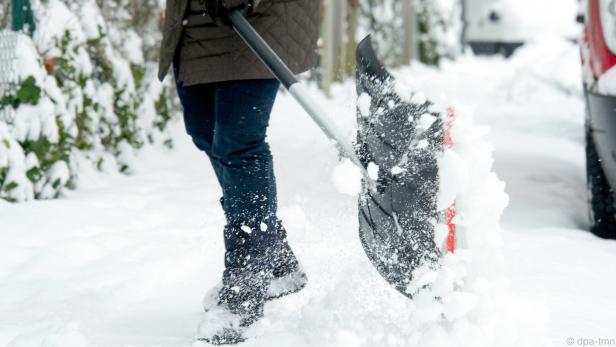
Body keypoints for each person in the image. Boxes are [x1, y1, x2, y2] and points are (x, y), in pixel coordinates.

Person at [158, 0, 320, 344]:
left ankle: (247, 282)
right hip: (197, 19)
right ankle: (275, 259)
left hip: (258, 16)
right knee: (205, 132)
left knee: (238, 141)